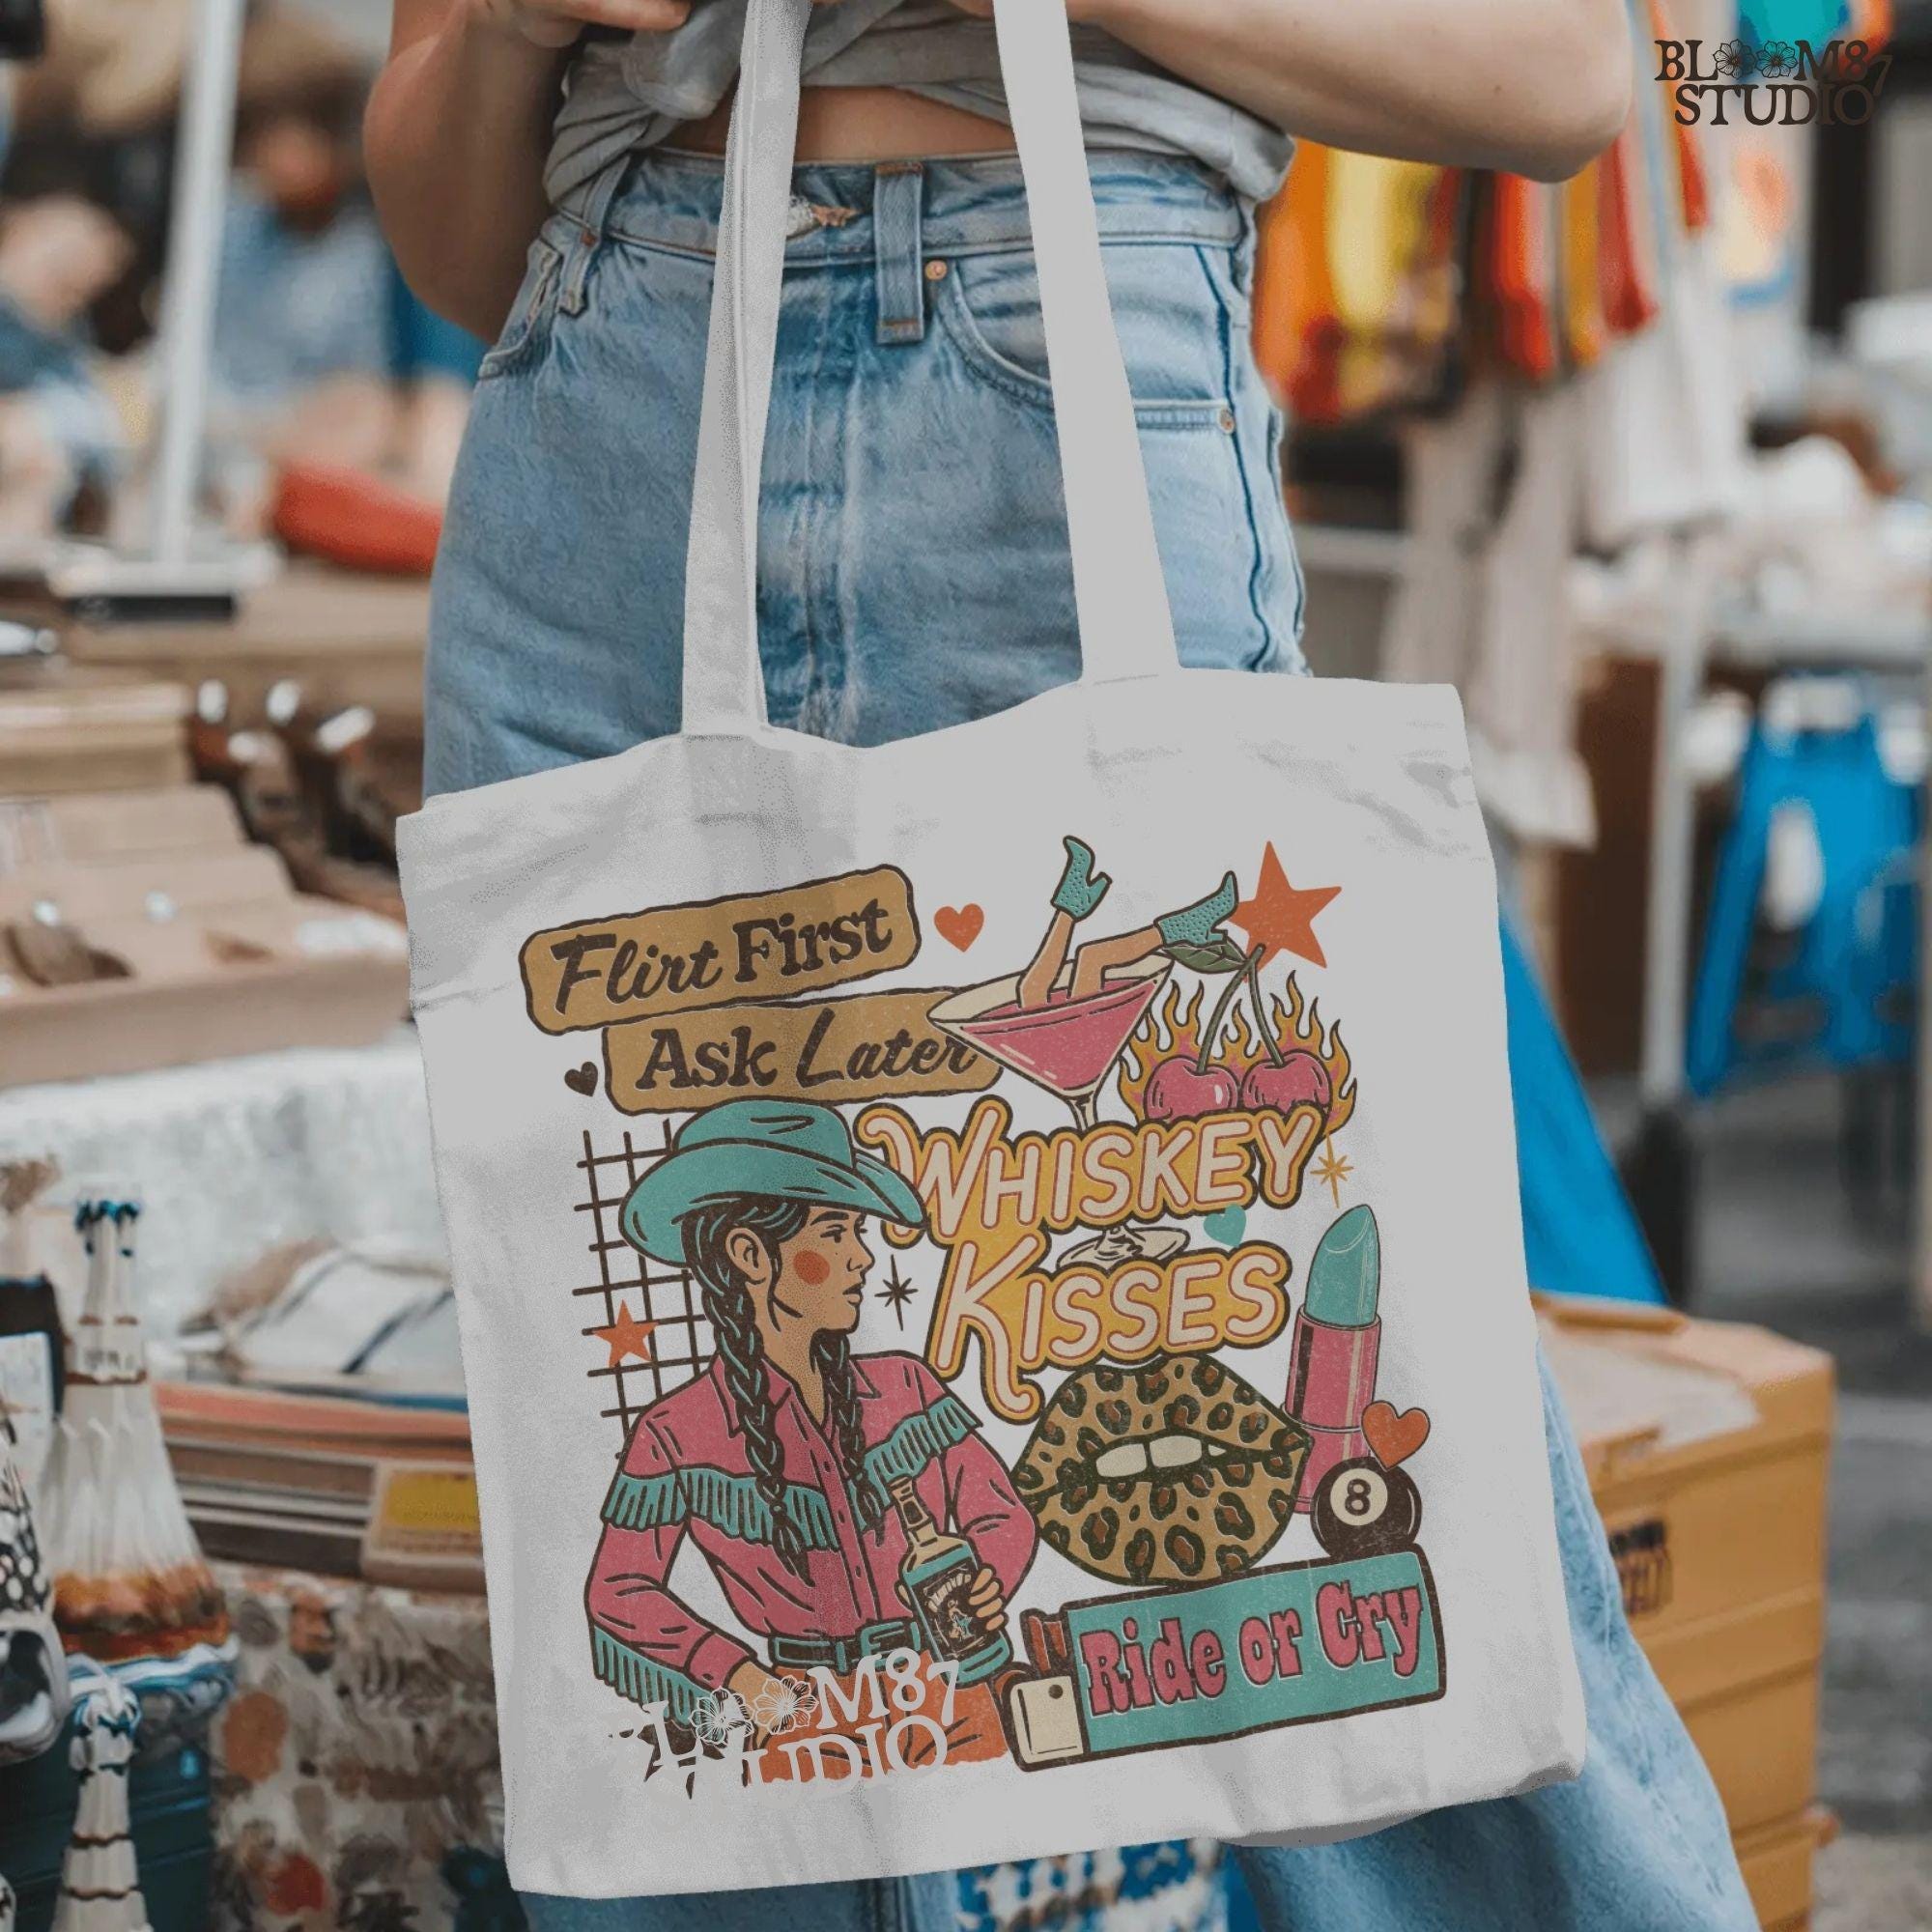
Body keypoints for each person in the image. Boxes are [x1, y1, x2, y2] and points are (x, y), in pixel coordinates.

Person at [368, 3, 1757, 1928]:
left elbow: (1551, 79)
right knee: (611, 1356)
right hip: (608, 396)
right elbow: (446, 239)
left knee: (1253, 1295)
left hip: (1057, 338)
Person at [586, 1098, 1034, 1773]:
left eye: (858, 1232)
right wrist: (742, 1679)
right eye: (834, 1233)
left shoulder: (907, 1388)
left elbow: (1002, 1513)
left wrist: (985, 1581)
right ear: (749, 1255)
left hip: (960, 1693)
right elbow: (618, 1590)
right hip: (804, 1721)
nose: (861, 1258)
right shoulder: (674, 1434)